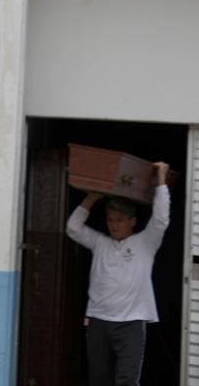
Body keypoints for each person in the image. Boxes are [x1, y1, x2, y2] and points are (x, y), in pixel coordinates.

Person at [66, 161, 171, 386]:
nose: (114, 225)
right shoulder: (100, 243)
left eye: (120, 220)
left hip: (131, 322)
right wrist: (91, 198)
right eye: (111, 220)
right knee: (98, 378)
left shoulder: (146, 242)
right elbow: (73, 228)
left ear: (132, 221)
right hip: (98, 320)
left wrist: (161, 179)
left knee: (127, 380)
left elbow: (161, 219)